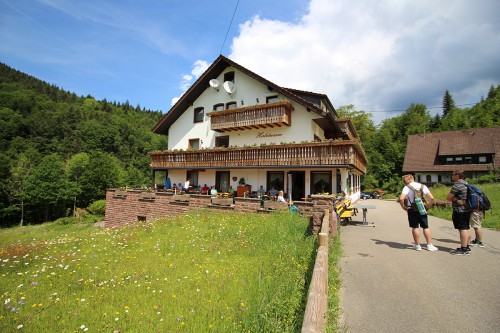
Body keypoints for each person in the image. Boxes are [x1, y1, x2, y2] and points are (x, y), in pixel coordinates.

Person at [399, 174, 438, 251]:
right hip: (422, 208)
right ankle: (429, 245)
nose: (404, 182)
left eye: (405, 180)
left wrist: (403, 207)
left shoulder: (407, 187)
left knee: (415, 227)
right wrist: (428, 206)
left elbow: (401, 198)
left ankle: (417, 245)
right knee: (425, 226)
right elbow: (432, 198)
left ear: (410, 179)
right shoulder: (423, 186)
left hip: (411, 209)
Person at [447, 170, 472, 255]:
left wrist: (454, 199)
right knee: (466, 228)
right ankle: (467, 246)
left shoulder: (457, 185)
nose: (452, 176)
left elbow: (448, 197)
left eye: (453, 174)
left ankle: (463, 249)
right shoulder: (466, 183)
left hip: (459, 210)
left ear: (457, 175)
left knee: (462, 229)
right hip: (467, 209)